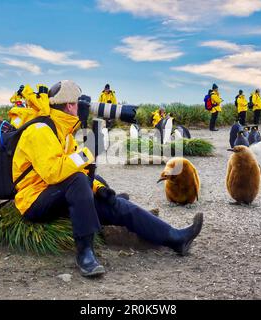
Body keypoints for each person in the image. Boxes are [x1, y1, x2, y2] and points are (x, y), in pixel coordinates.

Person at [12, 80, 204, 277]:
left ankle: (175, 238)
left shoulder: (64, 132)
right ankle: (85, 252)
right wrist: (89, 152)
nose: (82, 107)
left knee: (114, 203)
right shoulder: (40, 131)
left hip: (58, 194)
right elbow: (54, 172)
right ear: (70, 105)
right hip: (34, 200)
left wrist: (98, 188)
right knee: (78, 181)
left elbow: (76, 168)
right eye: (78, 102)